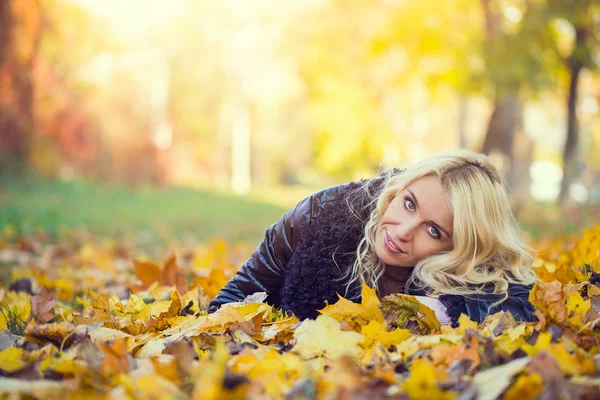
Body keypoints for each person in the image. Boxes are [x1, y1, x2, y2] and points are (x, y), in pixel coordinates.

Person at [208, 149, 539, 327]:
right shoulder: (318, 215)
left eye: (434, 231)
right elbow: (225, 308)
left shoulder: (470, 271)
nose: (404, 231)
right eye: (409, 204)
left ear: (460, 250)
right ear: (396, 191)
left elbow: (523, 303)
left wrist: (443, 310)